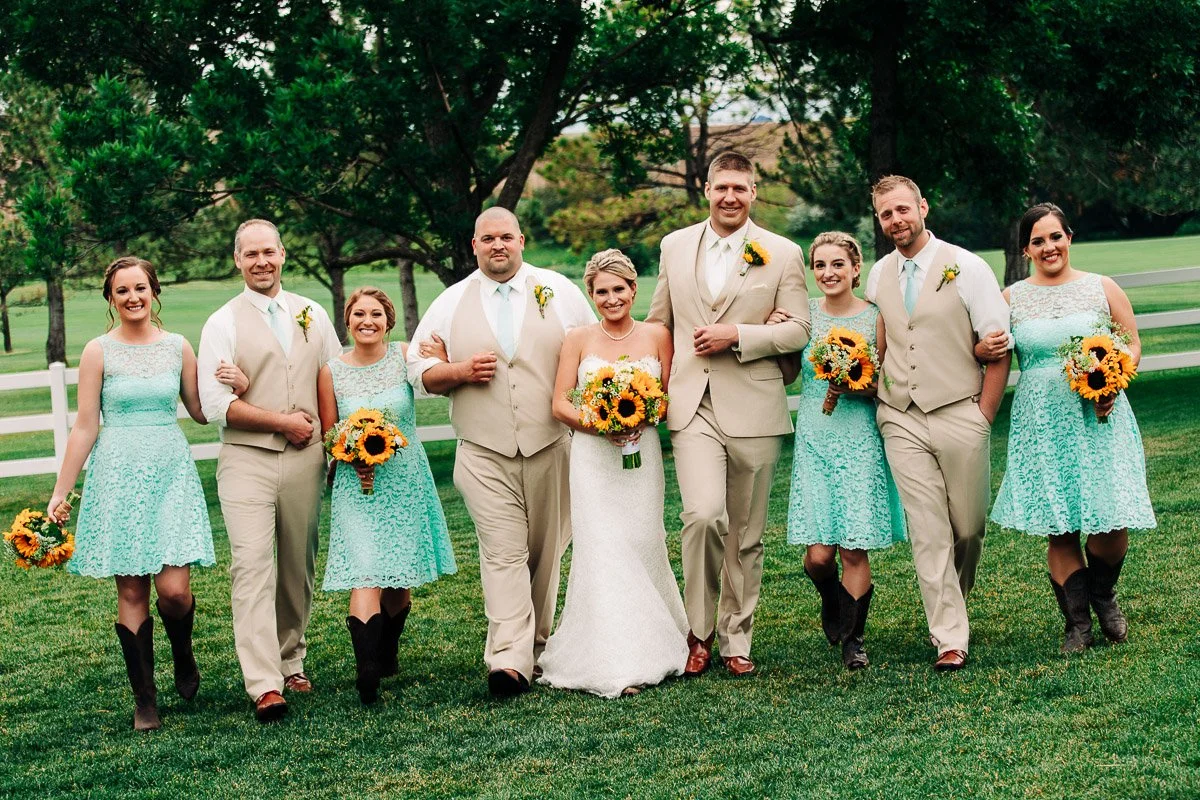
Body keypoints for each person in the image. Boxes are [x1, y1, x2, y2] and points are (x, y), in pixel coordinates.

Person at [407, 207, 594, 698]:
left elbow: (594, 352)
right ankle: (508, 659)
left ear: (521, 240)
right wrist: (460, 371)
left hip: (552, 443)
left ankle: (536, 644)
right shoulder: (450, 302)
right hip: (483, 451)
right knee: (503, 553)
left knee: (545, 553)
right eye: (487, 238)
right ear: (474, 245)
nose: (498, 246)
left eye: (506, 237)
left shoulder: (560, 292)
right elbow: (418, 371)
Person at [646, 151, 810, 677]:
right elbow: (659, 324)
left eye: (740, 188)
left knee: (746, 532)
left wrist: (739, 334)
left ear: (753, 192)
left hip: (756, 404)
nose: (730, 197)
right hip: (692, 403)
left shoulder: (783, 254)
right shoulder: (674, 247)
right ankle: (698, 632)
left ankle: (736, 638)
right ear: (708, 190)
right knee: (703, 516)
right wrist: (644, 388)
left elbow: (799, 331)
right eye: (722, 188)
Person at [47, 256, 224, 731]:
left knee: (174, 590)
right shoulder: (97, 351)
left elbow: (203, 411)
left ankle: (182, 653)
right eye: (122, 290)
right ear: (111, 298)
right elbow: (85, 426)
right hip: (117, 474)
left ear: (154, 291)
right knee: (131, 589)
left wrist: (237, 385)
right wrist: (61, 491)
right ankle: (145, 698)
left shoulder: (178, 347)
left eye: (140, 287)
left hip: (170, 471)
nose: (132, 297)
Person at [984, 203, 1155, 653]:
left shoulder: (1103, 287)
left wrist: (1116, 375)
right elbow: (991, 351)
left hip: (1101, 415)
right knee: (1059, 525)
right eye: (1037, 241)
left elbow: (1133, 344)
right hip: (1041, 421)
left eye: (1055, 237)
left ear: (1069, 238)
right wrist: (983, 347)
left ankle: (1103, 595)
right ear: (1026, 249)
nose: (1048, 247)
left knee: (1110, 518)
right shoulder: (1010, 299)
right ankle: (1076, 622)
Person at [197, 219, 342, 721]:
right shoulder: (222, 322)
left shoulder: (312, 313)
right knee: (252, 566)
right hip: (246, 460)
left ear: (283, 253)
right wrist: (283, 422)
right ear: (236, 260)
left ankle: (291, 659)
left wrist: (332, 445)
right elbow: (217, 404)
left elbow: (331, 378)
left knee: (297, 565)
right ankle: (263, 683)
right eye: (250, 254)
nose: (261, 262)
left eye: (269, 252)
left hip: (307, 458)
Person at [866, 175, 1012, 672]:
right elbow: (883, 342)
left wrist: (983, 416)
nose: (896, 220)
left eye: (903, 209)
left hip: (959, 409)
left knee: (968, 527)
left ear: (923, 207)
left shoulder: (967, 266)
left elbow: (998, 347)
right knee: (928, 530)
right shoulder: (877, 275)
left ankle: (956, 605)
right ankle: (949, 636)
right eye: (886, 214)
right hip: (900, 416)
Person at [536, 249, 687, 698]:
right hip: (591, 459)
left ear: (633, 289)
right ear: (591, 294)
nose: (611, 298)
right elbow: (561, 402)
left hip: (643, 457)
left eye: (618, 289)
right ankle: (613, 659)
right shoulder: (578, 338)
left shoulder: (658, 334)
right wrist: (603, 424)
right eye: (601, 291)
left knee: (642, 540)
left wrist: (640, 419)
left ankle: (654, 642)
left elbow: (667, 394)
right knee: (601, 547)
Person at [317, 287, 457, 704]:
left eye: (376, 314)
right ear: (348, 320)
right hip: (356, 486)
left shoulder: (404, 354)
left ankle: (387, 650)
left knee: (400, 575)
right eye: (359, 313)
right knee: (366, 571)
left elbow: (437, 381)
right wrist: (349, 453)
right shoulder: (331, 372)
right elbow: (329, 433)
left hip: (404, 479)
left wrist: (445, 358)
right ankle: (367, 673)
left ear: (389, 320)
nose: (367, 321)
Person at [776, 232, 906, 670]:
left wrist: (854, 381)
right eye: (820, 265)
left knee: (853, 548)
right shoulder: (805, 317)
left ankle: (854, 639)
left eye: (837, 264)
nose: (828, 273)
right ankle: (830, 596)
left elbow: (886, 384)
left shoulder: (875, 318)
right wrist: (775, 329)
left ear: (856, 269)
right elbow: (790, 372)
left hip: (860, 440)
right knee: (819, 556)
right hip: (815, 438)